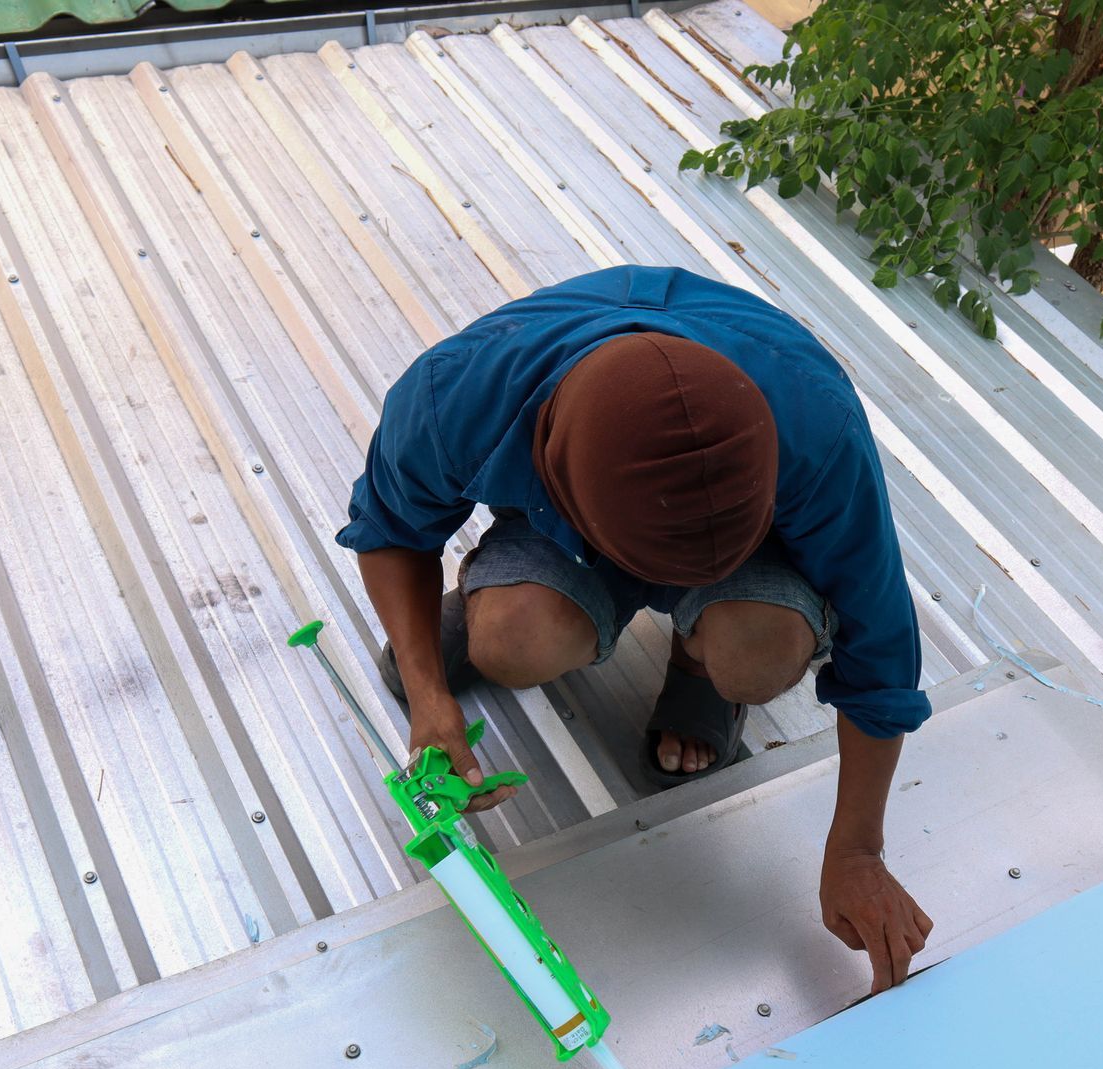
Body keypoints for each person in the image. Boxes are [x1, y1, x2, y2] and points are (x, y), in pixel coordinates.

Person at [337, 266, 934, 992]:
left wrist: (858, 850)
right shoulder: (456, 396)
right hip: (578, 499)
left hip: (728, 499)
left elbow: (882, 658)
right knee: (514, 640)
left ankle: (696, 662)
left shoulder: (817, 429)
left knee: (760, 652)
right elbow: (391, 530)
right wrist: (429, 696)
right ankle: (487, 606)